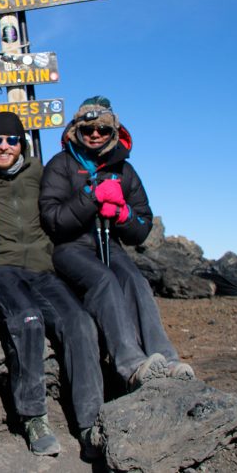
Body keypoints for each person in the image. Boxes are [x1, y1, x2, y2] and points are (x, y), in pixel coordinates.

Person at [39, 96, 194, 394]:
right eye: (88, 129)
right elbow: (53, 219)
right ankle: (132, 366)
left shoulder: (124, 170)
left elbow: (142, 227)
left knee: (136, 281)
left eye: (102, 129)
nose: (95, 134)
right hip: (70, 247)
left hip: (109, 243)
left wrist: (123, 214)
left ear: (114, 132)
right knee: (105, 280)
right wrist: (91, 197)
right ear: (76, 131)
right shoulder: (61, 165)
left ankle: (166, 359)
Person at [0, 111, 105, 460]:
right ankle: (34, 417)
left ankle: (91, 422)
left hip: (43, 268)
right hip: (1, 268)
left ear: (22, 144)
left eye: (12, 140)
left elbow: (65, 198)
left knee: (79, 322)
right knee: (28, 320)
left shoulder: (38, 172)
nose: (4, 146)